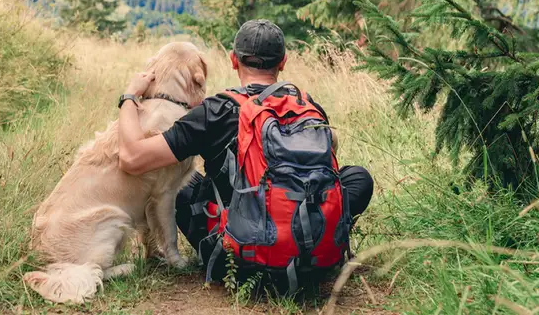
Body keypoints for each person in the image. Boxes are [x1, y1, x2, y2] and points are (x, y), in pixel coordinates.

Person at [117, 20, 374, 285]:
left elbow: (132, 158)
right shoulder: (308, 106)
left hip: (236, 265)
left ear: (233, 60)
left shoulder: (215, 111)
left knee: (181, 179)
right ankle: (316, 243)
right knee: (358, 177)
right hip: (313, 259)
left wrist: (129, 96)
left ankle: (237, 244)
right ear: (283, 62)